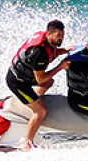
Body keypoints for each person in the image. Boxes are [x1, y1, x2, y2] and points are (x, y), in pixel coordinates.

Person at [6, 20, 71, 150]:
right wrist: (60, 67)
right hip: (18, 82)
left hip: (26, 76)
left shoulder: (45, 40)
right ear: (49, 34)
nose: (61, 38)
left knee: (50, 82)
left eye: (62, 35)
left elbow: (52, 51)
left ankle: (32, 102)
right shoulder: (38, 53)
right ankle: (27, 143)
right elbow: (41, 80)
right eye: (58, 35)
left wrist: (65, 50)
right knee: (41, 111)